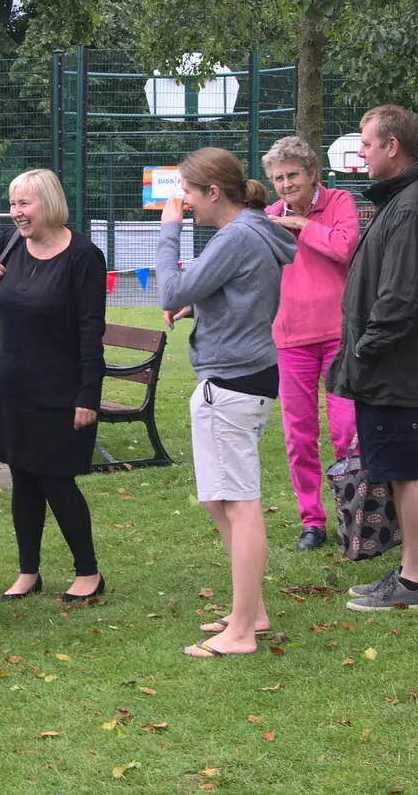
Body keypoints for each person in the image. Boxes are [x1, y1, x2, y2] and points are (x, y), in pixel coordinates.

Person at [158, 148, 296, 657]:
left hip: (233, 384)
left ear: (213, 193)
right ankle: (251, 610)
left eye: (189, 194)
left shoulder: (237, 235)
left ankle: (241, 632)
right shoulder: (253, 231)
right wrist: (205, 304)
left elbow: (169, 290)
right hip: (242, 377)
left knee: (239, 505)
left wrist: (168, 230)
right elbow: (241, 293)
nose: (185, 204)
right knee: (222, 500)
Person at [327, 105, 418, 612]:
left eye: (367, 143)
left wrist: (366, 347)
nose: (361, 151)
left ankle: (414, 582)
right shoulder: (402, 199)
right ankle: (406, 571)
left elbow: (399, 295)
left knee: (407, 469)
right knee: (397, 467)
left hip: (395, 367)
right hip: (386, 365)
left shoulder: (412, 204)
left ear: (392, 147)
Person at [0, 168, 108, 603]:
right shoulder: (10, 244)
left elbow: (91, 330)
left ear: (48, 203)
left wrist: (88, 394)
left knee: (56, 480)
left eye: (24, 203)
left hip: (57, 388)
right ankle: (28, 571)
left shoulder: (83, 257)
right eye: (13, 203)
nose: (16, 212)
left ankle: (88, 572)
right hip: (9, 384)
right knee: (23, 479)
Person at [263, 136, 362, 551]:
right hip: (289, 339)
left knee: (347, 432)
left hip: (338, 334)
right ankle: (312, 521)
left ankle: (353, 515)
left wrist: (302, 225)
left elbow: (344, 248)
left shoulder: (339, 201)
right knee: (299, 435)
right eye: (278, 178)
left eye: (292, 176)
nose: (285, 185)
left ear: (312, 174)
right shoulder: (267, 216)